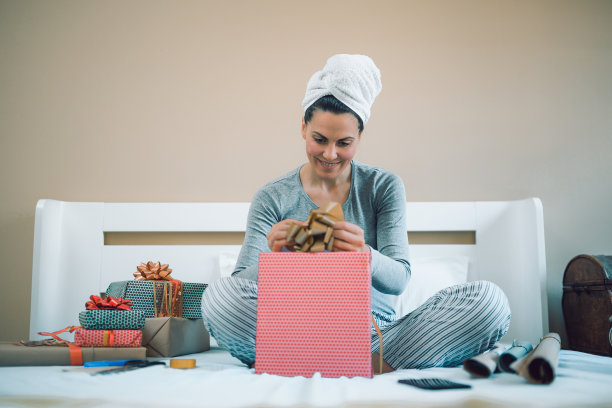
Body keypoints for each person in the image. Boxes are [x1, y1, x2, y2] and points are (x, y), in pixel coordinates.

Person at [201, 54, 510, 372]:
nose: (330, 154)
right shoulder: (271, 197)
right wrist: (278, 260)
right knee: (219, 298)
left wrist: (363, 253)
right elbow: (238, 284)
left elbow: (400, 279)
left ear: (360, 137)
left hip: (378, 337)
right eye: (319, 139)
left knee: (490, 302)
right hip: (291, 329)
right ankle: (343, 362)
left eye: (344, 142)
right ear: (303, 128)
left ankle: (314, 362)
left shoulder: (383, 187)